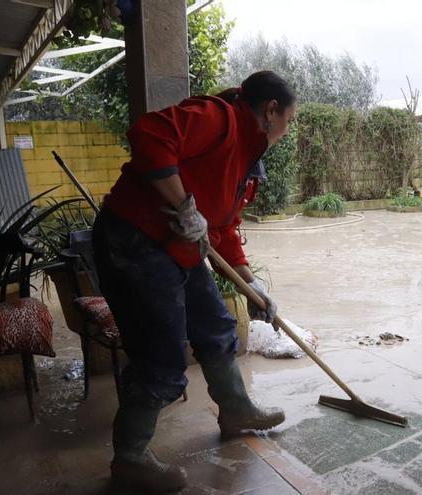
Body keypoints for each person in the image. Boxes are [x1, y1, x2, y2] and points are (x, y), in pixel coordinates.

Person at [92, 70, 297, 492]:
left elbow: (221, 229)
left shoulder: (247, 160)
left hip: (177, 249)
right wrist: (184, 205)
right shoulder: (218, 118)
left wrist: (251, 284)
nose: (287, 130)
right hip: (135, 241)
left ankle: (236, 410)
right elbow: (149, 134)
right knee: (162, 357)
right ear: (271, 109)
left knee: (217, 328)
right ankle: (130, 458)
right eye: (288, 120)